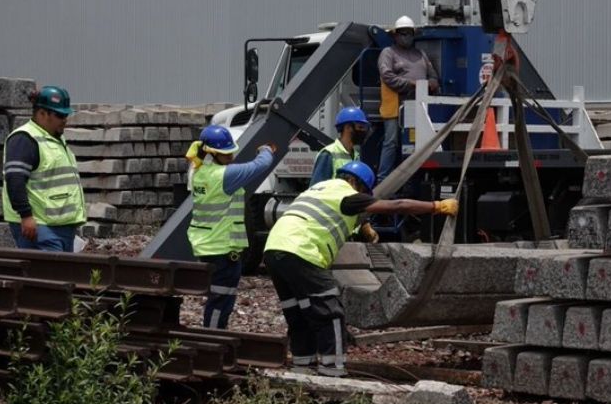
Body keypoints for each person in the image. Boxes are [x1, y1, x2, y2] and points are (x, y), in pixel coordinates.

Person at [263, 161, 458, 376]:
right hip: (302, 250)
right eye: (365, 191)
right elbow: (397, 205)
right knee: (331, 312)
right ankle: (332, 370)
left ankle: (302, 366)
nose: (365, 196)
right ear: (354, 182)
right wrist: (436, 207)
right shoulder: (347, 194)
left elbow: (326, 217)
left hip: (274, 249)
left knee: (299, 311)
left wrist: (363, 227)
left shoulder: (319, 190)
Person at [187, 125, 276, 329]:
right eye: (226, 153)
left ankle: (214, 337)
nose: (231, 156)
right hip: (223, 249)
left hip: (207, 246)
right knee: (221, 300)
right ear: (212, 153)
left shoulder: (199, 171)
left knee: (216, 297)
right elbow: (259, 165)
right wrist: (266, 150)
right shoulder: (225, 176)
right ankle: (213, 341)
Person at [2, 85, 86, 252]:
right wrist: (26, 216)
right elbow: (15, 179)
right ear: (42, 113)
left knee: (60, 275)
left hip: (60, 226)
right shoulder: (24, 139)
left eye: (66, 114)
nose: (65, 119)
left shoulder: (54, 139)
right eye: (60, 115)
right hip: (39, 227)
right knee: (50, 275)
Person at [377, 15, 440, 182]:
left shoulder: (421, 54)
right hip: (396, 106)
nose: (406, 37)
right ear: (395, 35)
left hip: (418, 107)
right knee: (391, 142)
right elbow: (387, 76)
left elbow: (433, 75)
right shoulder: (388, 53)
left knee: (415, 145)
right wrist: (412, 84)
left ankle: (410, 182)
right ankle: (383, 180)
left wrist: (432, 83)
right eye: (402, 33)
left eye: (409, 33)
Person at [309, 106, 370, 187]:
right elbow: (316, 189)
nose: (363, 131)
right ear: (348, 127)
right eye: (360, 127)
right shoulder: (328, 154)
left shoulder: (356, 155)